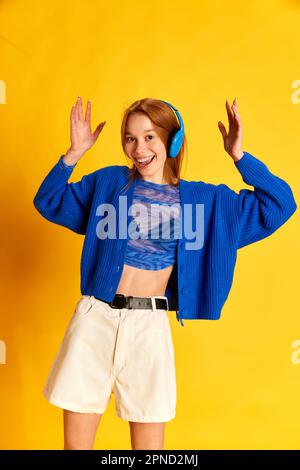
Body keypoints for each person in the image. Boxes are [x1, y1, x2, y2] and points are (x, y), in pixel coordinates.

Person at [33, 97, 297, 450]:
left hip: (149, 328)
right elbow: (48, 200)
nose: (138, 148)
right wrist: (73, 154)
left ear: (173, 140)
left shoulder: (205, 203)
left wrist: (240, 157)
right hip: (95, 319)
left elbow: (280, 204)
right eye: (130, 139)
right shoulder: (111, 184)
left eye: (149, 137)